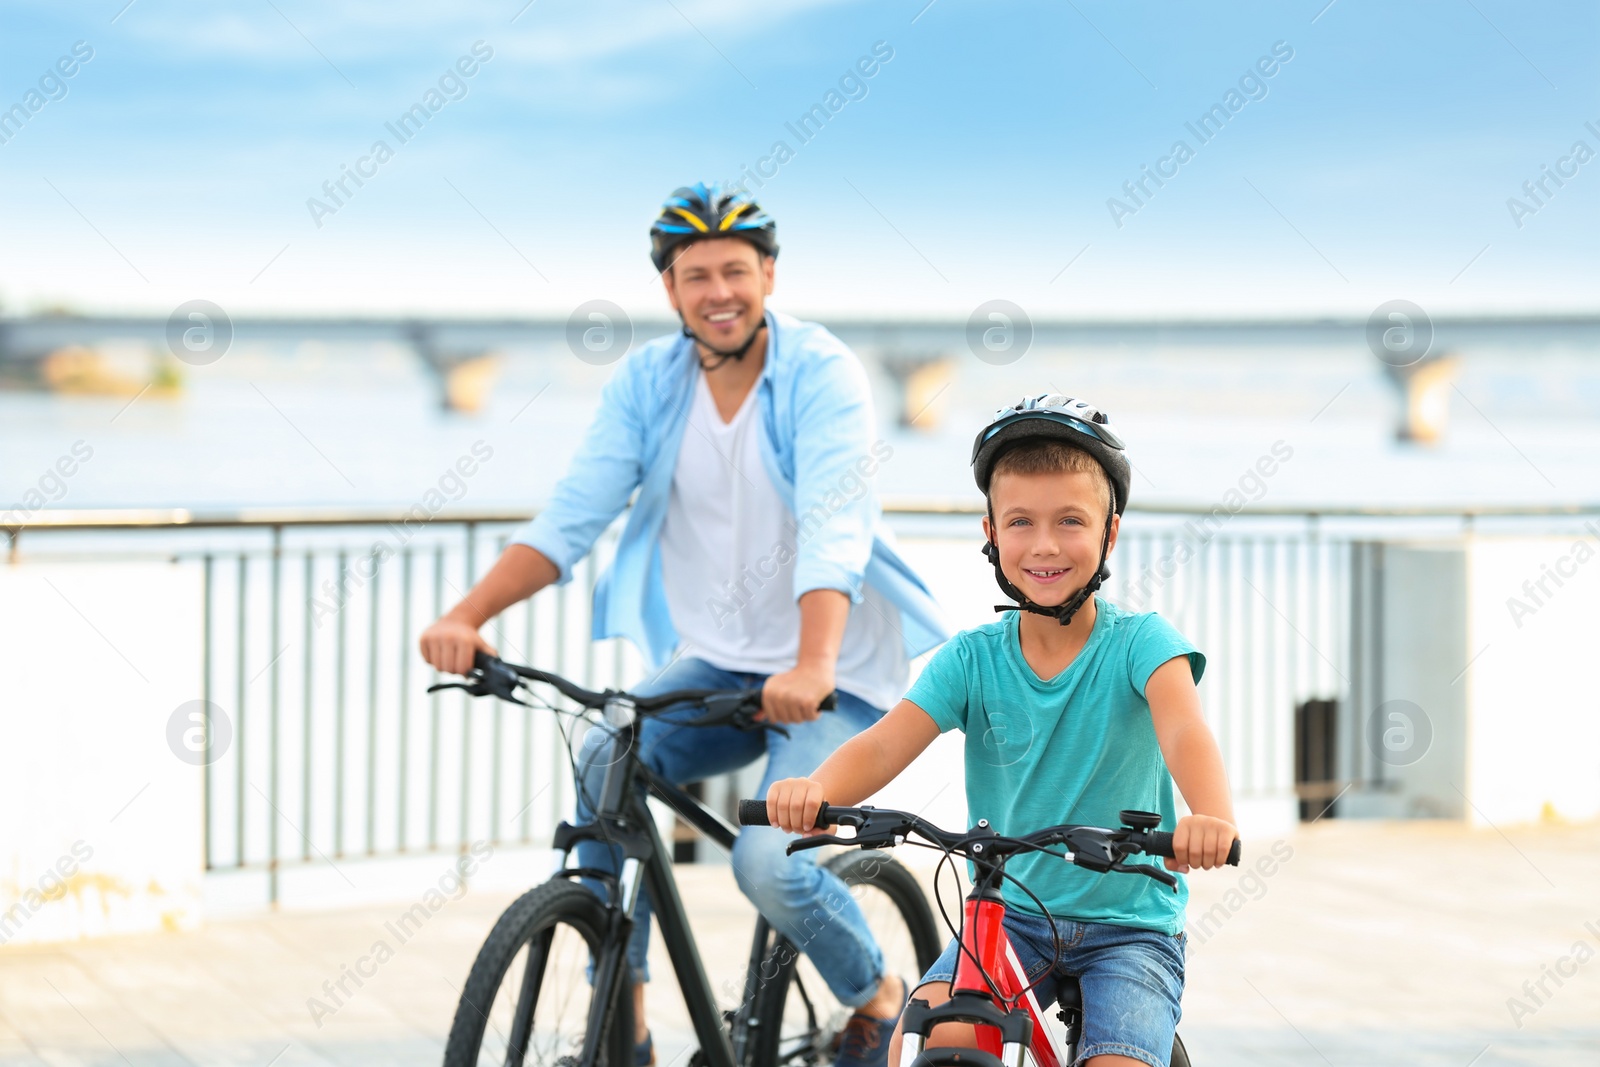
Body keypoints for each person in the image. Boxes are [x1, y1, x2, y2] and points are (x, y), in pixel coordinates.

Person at [418, 182, 951, 1067]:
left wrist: (813, 662)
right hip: (716, 658)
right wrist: (467, 615)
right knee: (604, 758)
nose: (719, 291)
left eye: (736, 270)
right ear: (670, 289)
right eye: (696, 274)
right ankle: (619, 1025)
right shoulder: (650, 382)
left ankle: (878, 994)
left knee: (767, 862)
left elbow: (834, 528)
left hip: (832, 670)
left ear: (768, 275)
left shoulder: (821, 373)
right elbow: (575, 514)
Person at [764, 394, 1239, 1067]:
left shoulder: (1144, 645)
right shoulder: (972, 657)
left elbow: (1185, 730)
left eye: (1070, 520)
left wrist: (1210, 816)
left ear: (1110, 533)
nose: (1044, 545)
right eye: (1021, 521)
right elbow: (883, 741)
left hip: (1129, 927)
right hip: (1008, 913)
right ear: (990, 531)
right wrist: (814, 789)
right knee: (928, 1041)